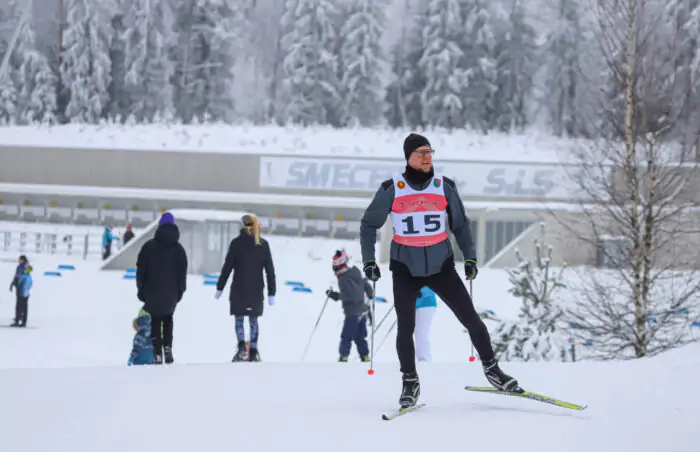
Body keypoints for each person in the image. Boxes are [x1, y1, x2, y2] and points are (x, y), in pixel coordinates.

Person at [360, 133, 518, 408]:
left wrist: (470, 258)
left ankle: (492, 370)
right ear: (408, 157)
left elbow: (460, 225)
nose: (426, 157)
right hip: (405, 268)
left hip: (440, 266)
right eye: (420, 152)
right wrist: (369, 262)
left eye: (429, 152)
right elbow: (368, 225)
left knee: (472, 320)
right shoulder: (392, 188)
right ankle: (410, 382)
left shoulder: (443, 186)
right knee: (405, 328)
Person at [215, 214, 276, 362]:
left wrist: (220, 288)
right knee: (253, 320)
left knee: (239, 319)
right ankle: (253, 350)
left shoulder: (236, 243)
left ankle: (242, 347)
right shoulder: (263, 244)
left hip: (239, 289)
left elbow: (227, 267)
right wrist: (271, 293)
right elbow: (270, 271)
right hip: (256, 290)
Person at [136, 212, 188, 364]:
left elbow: (141, 270)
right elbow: (182, 274)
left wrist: (141, 290)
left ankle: (157, 351)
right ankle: (168, 348)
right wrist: (180, 292)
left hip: (151, 292)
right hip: (171, 293)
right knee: (168, 318)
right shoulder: (179, 250)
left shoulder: (148, 247)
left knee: (155, 320)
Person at [324, 250, 374, 362]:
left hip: (353, 312)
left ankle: (343, 357)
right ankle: (365, 357)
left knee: (347, 336)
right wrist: (370, 295)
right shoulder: (355, 272)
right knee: (359, 337)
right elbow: (365, 284)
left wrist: (335, 295)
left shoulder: (343, 278)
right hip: (362, 311)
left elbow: (352, 295)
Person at [415, 286, 437, 362]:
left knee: (421, 331)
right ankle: (422, 357)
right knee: (419, 331)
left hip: (425, 304)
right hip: (420, 304)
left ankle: (424, 358)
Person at [8, 254, 28, 326]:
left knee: (23, 305)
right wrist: (12, 283)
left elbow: (27, 276)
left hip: (24, 289)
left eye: (21, 259)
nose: (19, 261)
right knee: (18, 305)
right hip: (19, 288)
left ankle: (23, 321)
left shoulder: (27, 267)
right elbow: (16, 276)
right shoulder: (19, 267)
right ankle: (17, 319)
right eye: (19, 259)